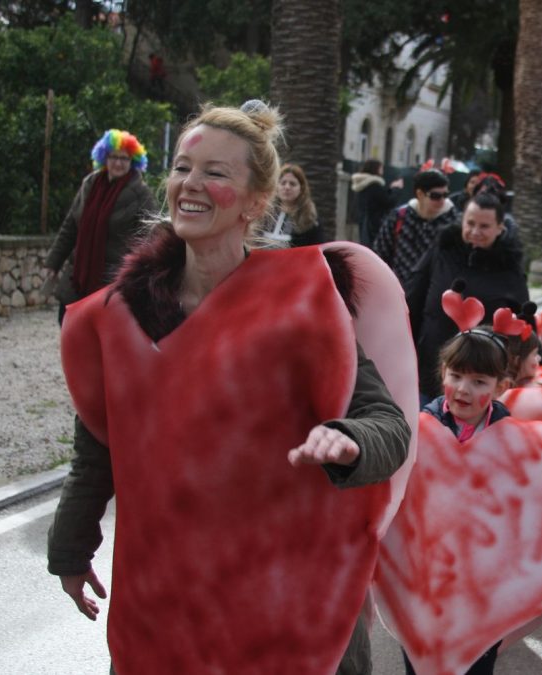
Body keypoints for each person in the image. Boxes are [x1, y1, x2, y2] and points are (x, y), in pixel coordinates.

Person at [47, 102, 413, 674]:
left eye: (216, 173)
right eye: (182, 167)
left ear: (256, 202)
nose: (190, 184)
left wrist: (349, 439)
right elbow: (99, 445)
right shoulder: (118, 316)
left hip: (288, 605)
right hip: (167, 605)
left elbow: (389, 426)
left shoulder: (304, 300)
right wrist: (71, 548)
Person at [403, 324, 514, 674]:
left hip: (484, 581)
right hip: (424, 574)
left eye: (479, 381)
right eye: (456, 376)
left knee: (477, 662)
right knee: (421, 659)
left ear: (501, 388)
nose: (464, 389)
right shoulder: (419, 429)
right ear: (442, 374)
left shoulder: (513, 440)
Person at [405, 193, 529, 401]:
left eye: (484, 226)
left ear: (500, 228)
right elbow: (413, 301)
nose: (475, 231)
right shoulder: (442, 252)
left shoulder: (510, 268)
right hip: (429, 373)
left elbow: (523, 322)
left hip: (480, 383)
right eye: (470, 223)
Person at [44, 129, 157, 324]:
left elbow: (151, 237)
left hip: (113, 282)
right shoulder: (90, 184)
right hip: (78, 276)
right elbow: (70, 226)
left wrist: (138, 276)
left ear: (134, 162)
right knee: (68, 325)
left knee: (101, 338)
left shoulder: (141, 193)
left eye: (125, 159)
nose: (119, 163)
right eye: (114, 157)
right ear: (104, 157)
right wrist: (53, 263)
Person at [373, 168, 460, 287]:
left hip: (436, 293)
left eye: (445, 195)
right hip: (400, 289)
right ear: (420, 194)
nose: (442, 200)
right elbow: (379, 254)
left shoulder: (454, 221)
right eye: (435, 196)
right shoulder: (399, 217)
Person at [262, 163, 325, 247]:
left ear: (301, 188)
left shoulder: (309, 218)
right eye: (283, 183)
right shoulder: (265, 213)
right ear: (276, 186)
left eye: (292, 184)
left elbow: (318, 250)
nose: (287, 187)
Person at [351, 158, 402, 246]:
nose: (382, 170)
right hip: (374, 225)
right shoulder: (374, 185)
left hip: (364, 222)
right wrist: (396, 189)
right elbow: (388, 202)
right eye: (381, 168)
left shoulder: (363, 185)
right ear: (376, 169)